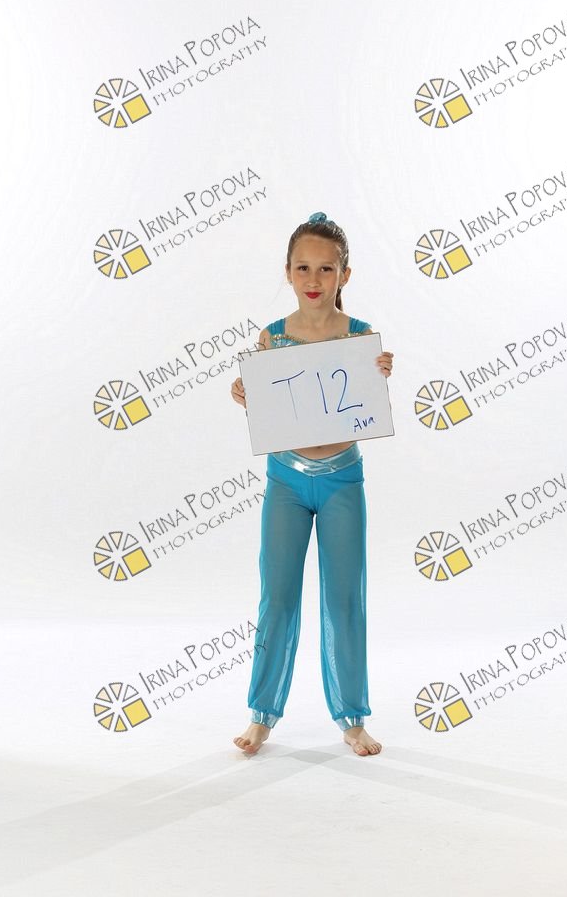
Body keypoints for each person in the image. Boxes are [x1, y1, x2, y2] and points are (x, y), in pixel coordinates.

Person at [230, 212, 393, 757]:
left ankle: (351, 717)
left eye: (326, 268)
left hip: (342, 478)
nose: (314, 279)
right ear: (288, 272)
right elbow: (274, 408)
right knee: (277, 598)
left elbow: (364, 407)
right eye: (303, 268)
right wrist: (247, 394)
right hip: (287, 482)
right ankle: (262, 714)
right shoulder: (272, 337)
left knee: (344, 600)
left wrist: (379, 375)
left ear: (345, 274)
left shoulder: (360, 338)